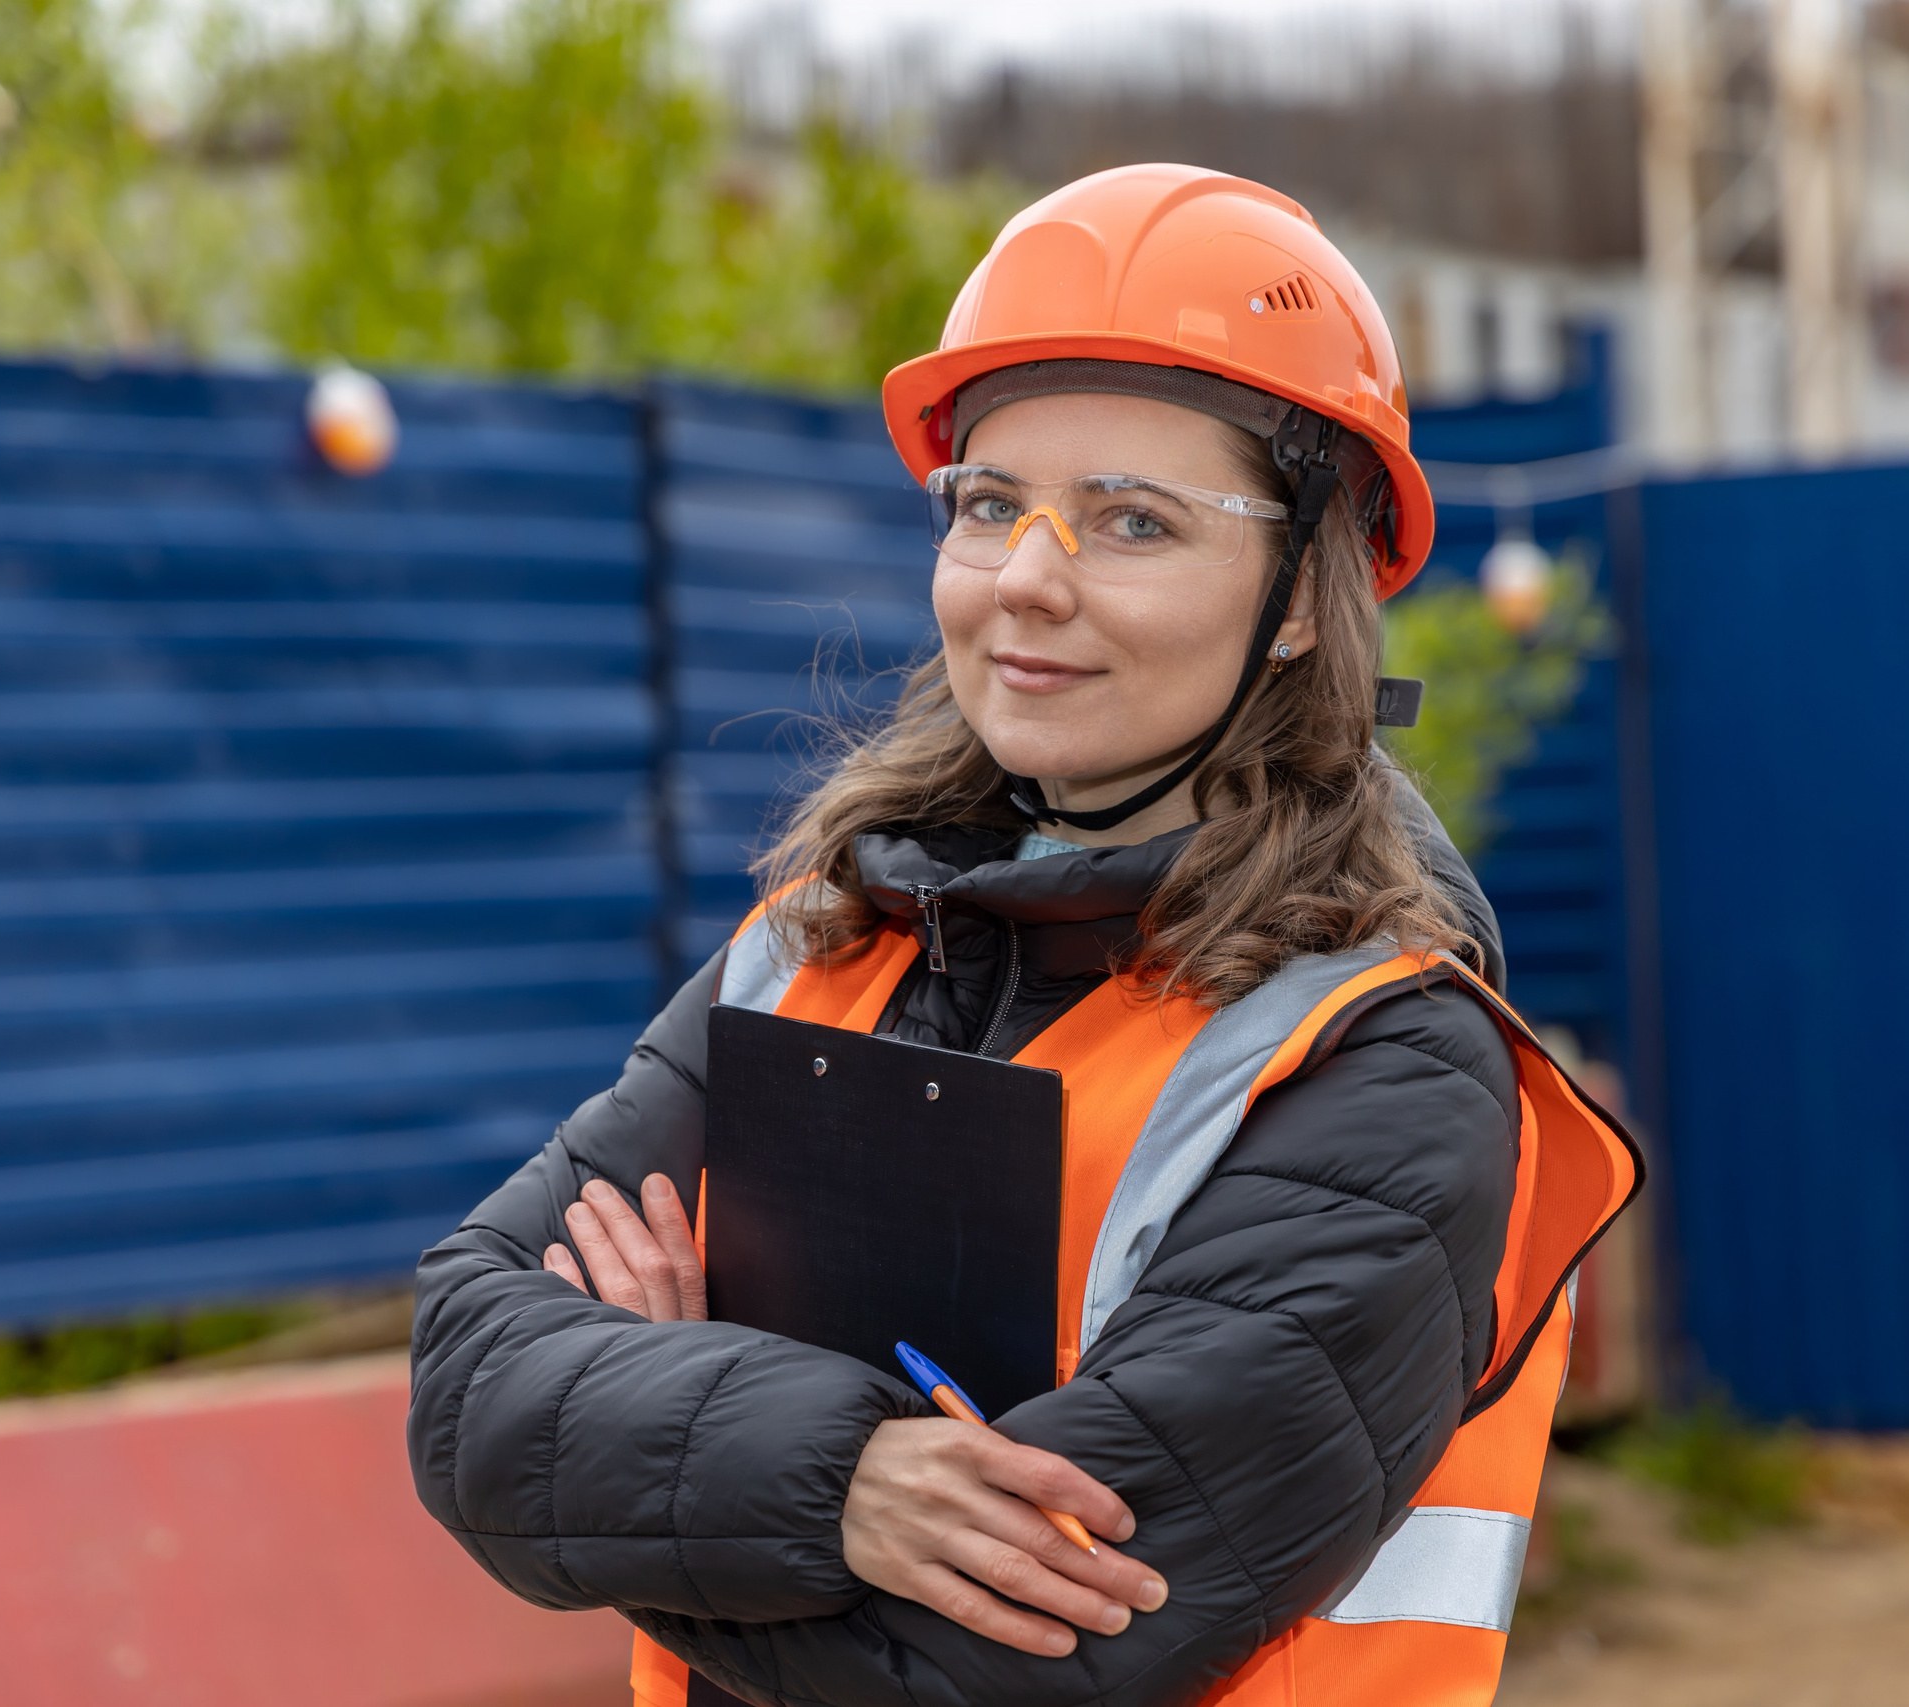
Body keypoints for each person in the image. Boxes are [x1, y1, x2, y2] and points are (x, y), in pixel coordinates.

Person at [409, 163, 1641, 1707]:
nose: (1027, 582)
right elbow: (464, 1382)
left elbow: (1021, 1660)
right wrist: (844, 1482)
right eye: (990, 505)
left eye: (1133, 522)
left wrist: (654, 1466)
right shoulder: (810, 952)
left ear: (1304, 601)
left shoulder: (1382, 1068)